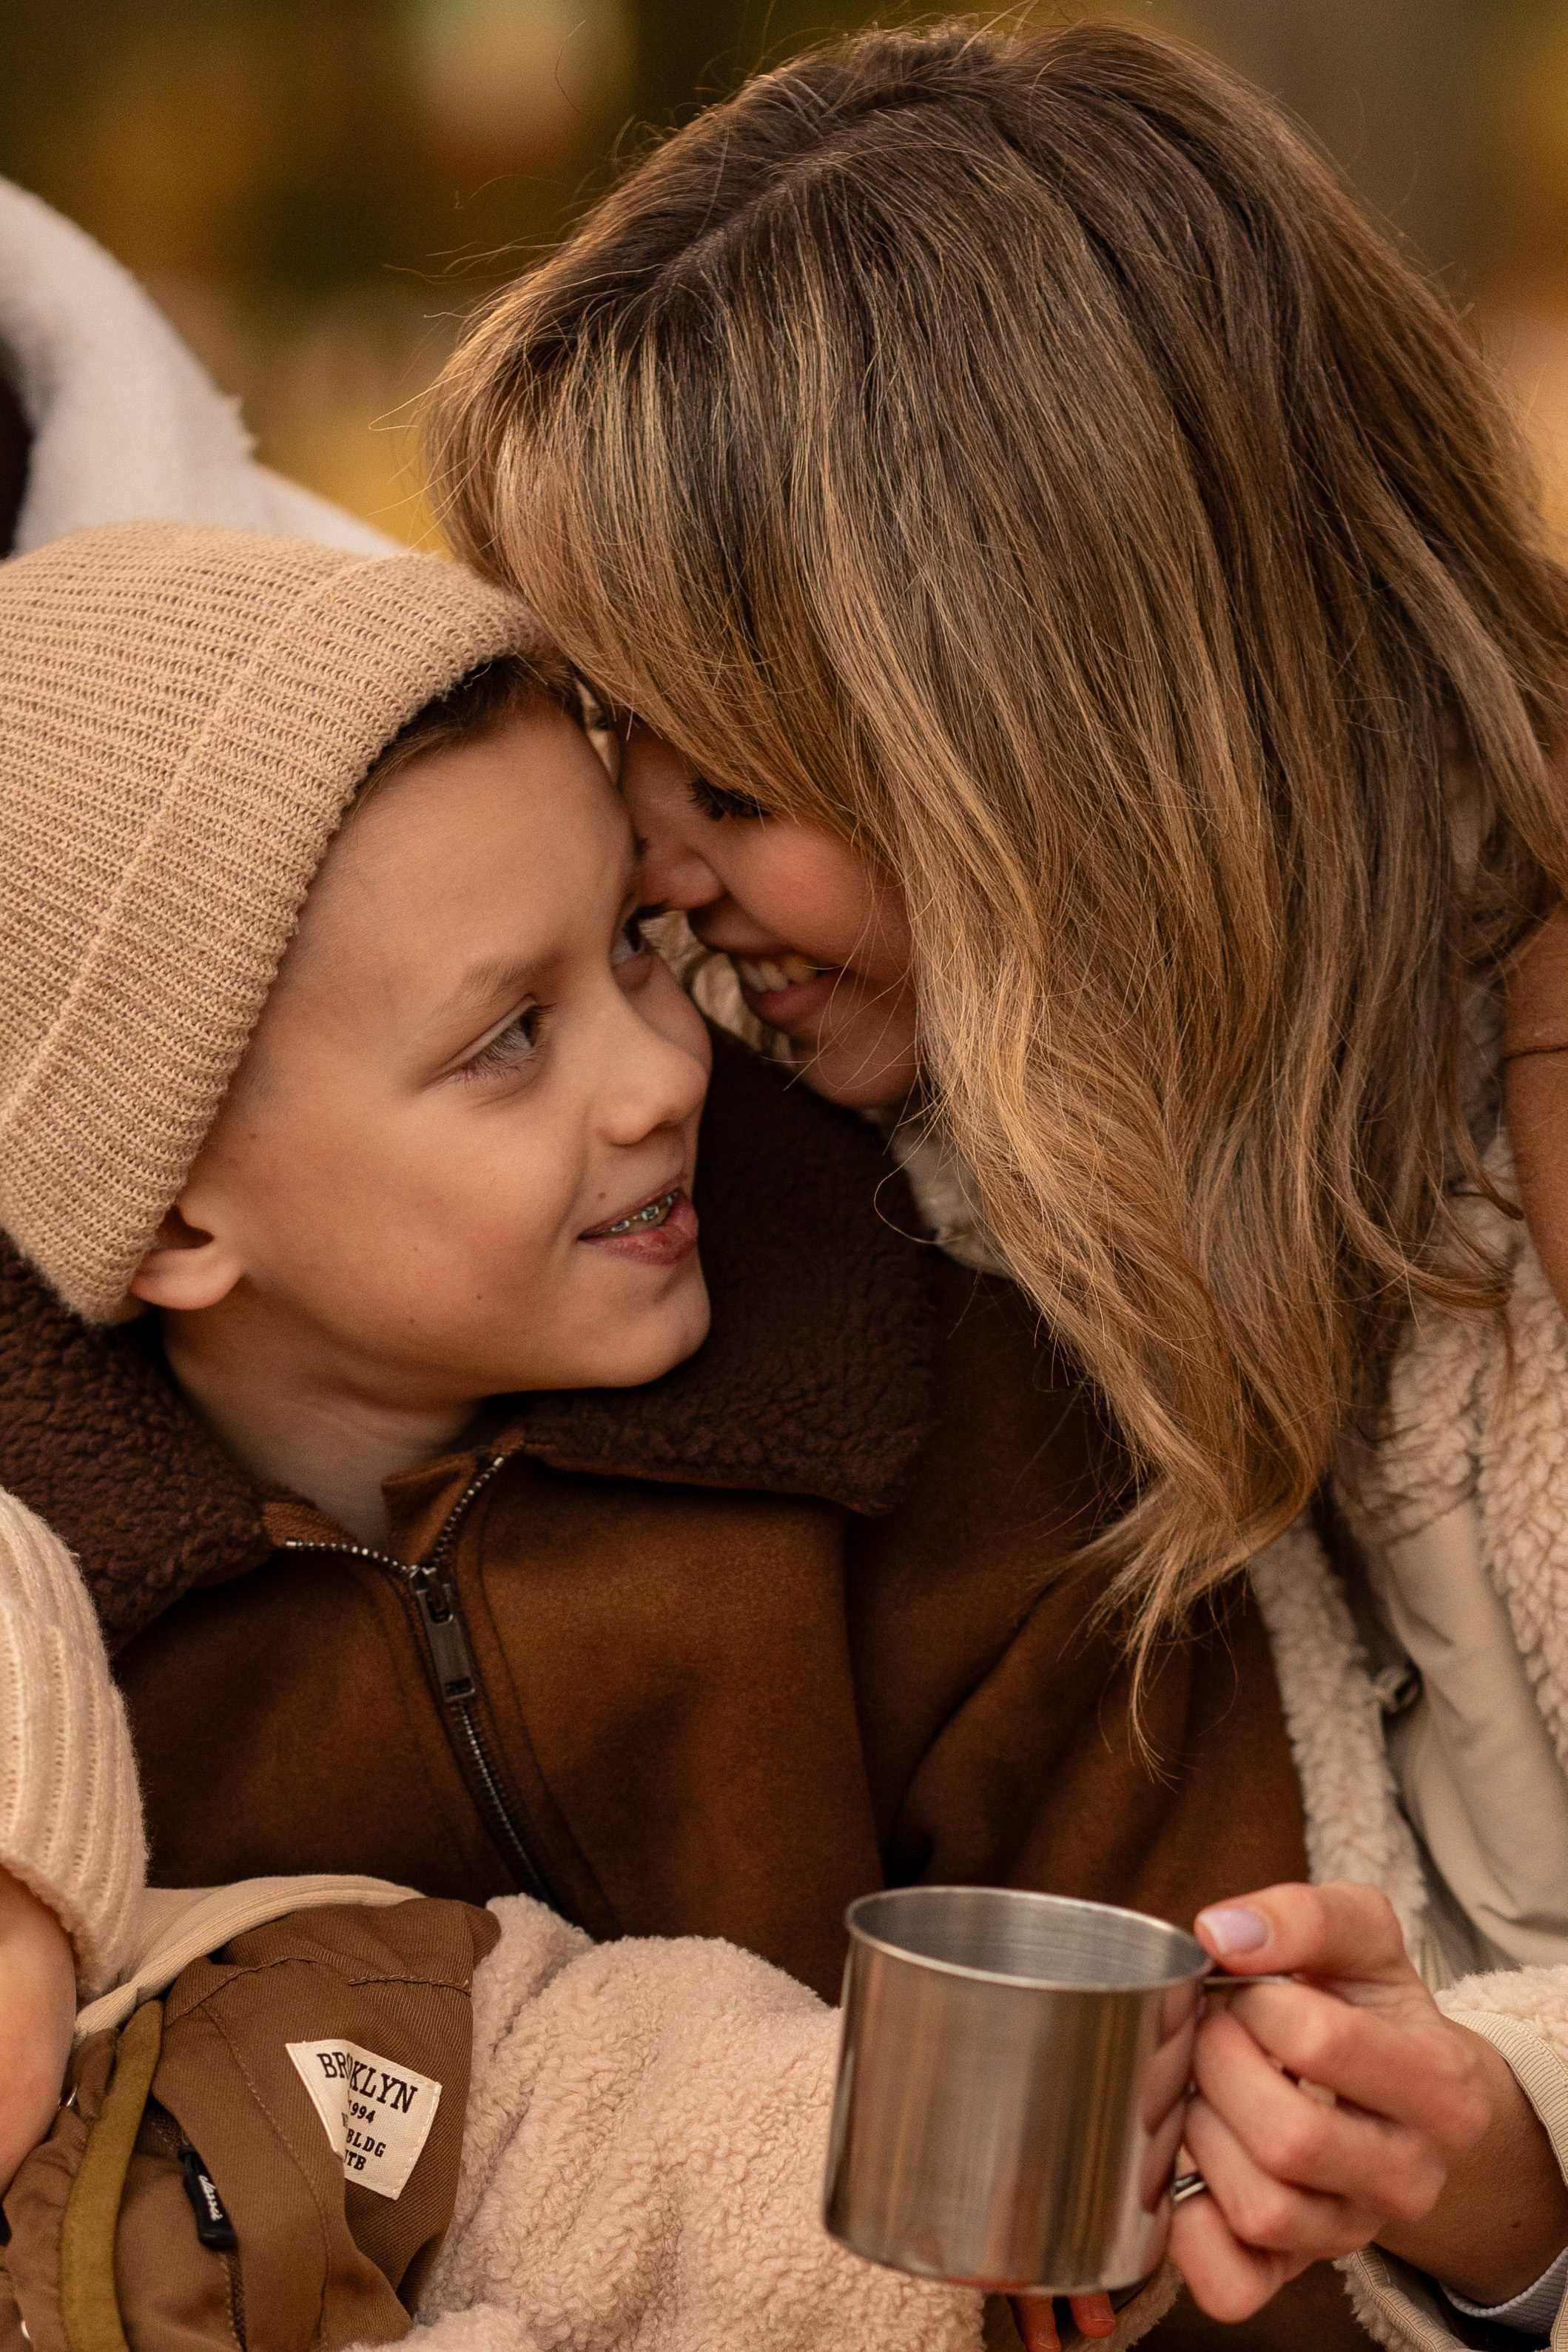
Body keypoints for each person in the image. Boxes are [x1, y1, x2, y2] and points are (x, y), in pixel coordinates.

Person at [424, 17, 1568, 2346]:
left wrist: (1520, 2165)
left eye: (733, 781)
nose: (656, 869)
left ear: (1042, 744)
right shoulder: (954, 1148)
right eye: (620, 744)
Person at [0, 520, 1312, 2352]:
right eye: (506, 1038)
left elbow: (1243, 2174)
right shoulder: (43, 1661)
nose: (664, 1070)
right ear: (166, 1221)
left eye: (635, 942)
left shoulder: (956, 1433)